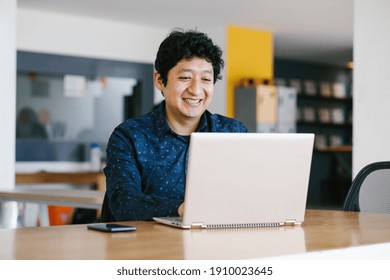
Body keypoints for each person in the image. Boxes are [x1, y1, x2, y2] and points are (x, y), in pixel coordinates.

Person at [102, 29, 248, 222]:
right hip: (146, 246)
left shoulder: (233, 133)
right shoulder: (129, 136)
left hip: (216, 243)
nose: (196, 90)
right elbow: (124, 203)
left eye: (205, 79)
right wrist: (181, 209)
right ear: (160, 81)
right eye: (185, 78)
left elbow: (250, 193)